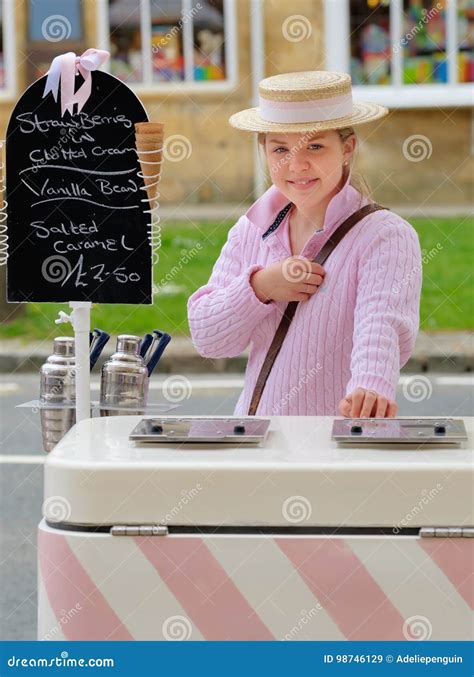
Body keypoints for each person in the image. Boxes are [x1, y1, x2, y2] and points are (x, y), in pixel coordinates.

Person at [187, 71, 422, 418]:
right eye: (280, 148)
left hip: (334, 447)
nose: (296, 165)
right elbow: (208, 338)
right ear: (264, 151)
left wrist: (370, 387)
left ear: (347, 148)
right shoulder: (251, 229)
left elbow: (380, 324)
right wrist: (260, 287)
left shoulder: (385, 235)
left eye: (314, 146)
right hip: (255, 445)